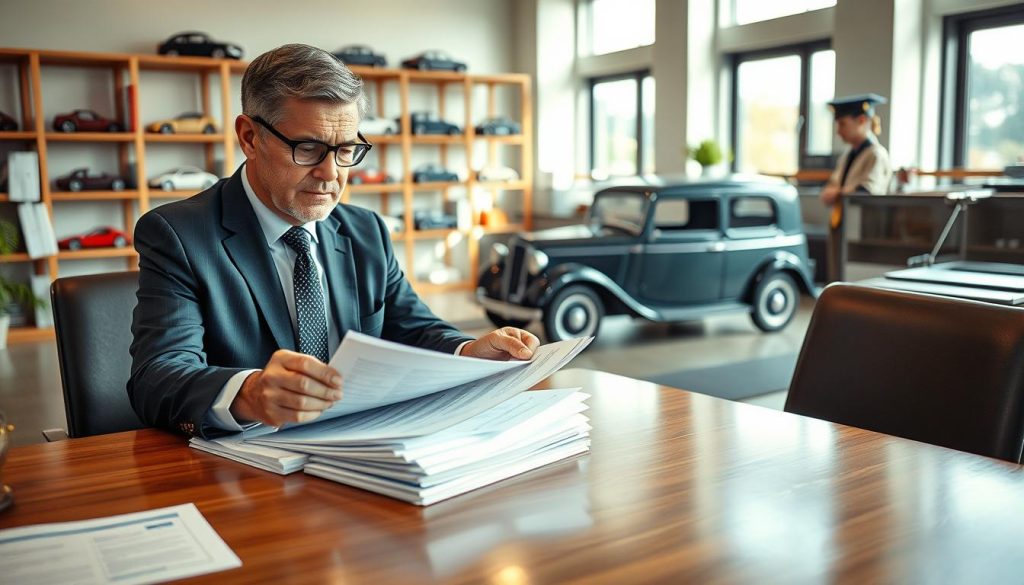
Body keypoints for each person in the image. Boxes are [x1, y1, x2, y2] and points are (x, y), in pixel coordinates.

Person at [128, 44, 539, 438]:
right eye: (308, 148)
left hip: (359, 455)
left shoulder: (367, 232)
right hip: (243, 473)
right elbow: (158, 377)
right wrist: (249, 393)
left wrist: (469, 352)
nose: (330, 174)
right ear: (250, 138)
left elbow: (414, 329)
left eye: (345, 150)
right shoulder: (178, 234)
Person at [818, 93, 893, 282]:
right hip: (842, 226)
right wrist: (833, 193)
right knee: (838, 276)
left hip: (862, 231)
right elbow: (833, 186)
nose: (838, 131)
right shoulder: (847, 156)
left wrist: (837, 193)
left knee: (858, 279)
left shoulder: (876, 155)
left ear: (861, 120)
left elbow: (868, 192)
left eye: (842, 124)